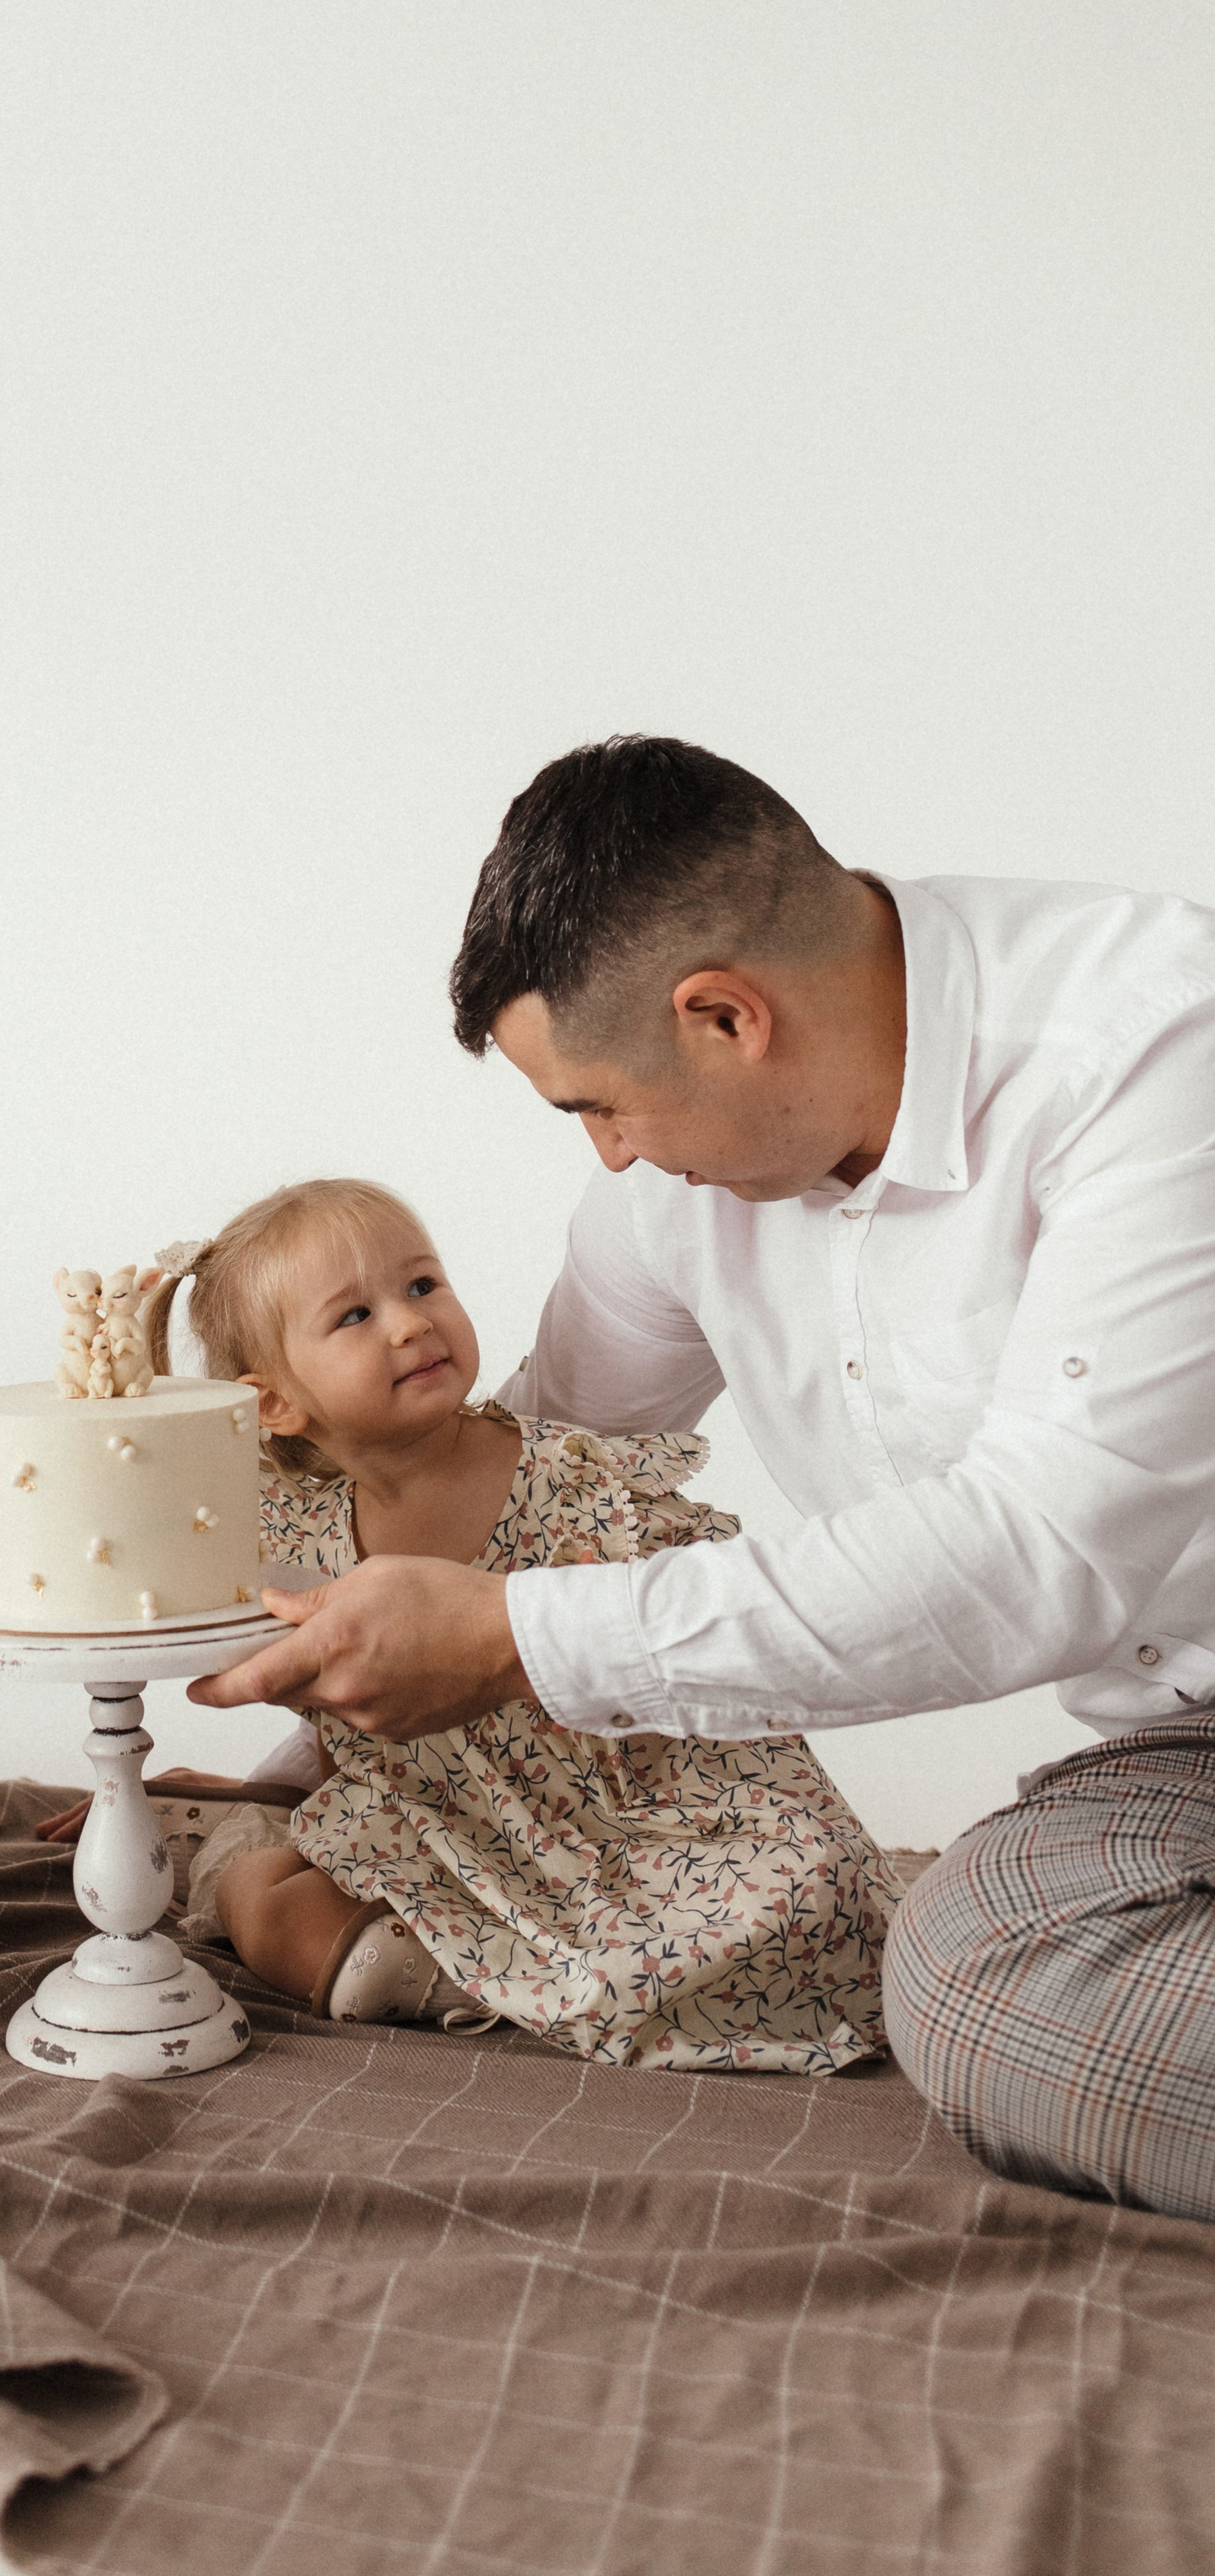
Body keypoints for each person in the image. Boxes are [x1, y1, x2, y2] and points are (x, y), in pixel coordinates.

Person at [194, 737, 1215, 2220]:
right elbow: (504, 1497)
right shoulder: (674, 1204)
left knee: (973, 1990)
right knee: (970, 1971)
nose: (608, 1156)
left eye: (598, 1106)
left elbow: (1040, 1553)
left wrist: (513, 1642)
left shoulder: (1154, 1050)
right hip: (1184, 1745)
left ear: (727, 1017)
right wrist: (309, 1752)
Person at [47, 1178, 900, 2067]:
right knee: (314, 1938)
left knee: (815, 1899)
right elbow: (129, 1545)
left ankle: (523, 1967)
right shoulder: (283, 1530)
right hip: (442, 1832)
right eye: (354, 1316)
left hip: (643, 1822)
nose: (409, 1323)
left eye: (422, 1285)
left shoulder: (577, 1480)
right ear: (273, 1405)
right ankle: (238, 1861)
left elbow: (694, 1661)